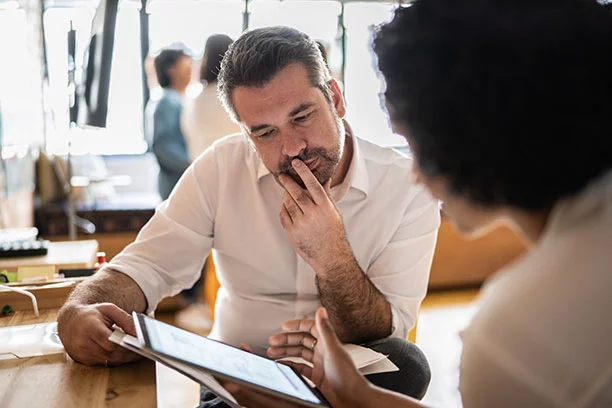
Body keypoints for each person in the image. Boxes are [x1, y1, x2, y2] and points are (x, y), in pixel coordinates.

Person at [223, 1, 612, 407]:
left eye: (416, 144)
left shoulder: (515, 340)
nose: (415, 174)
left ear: (472, 136)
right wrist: (357, 394)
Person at [56, 26, 440, 407]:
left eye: (302, 117)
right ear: (245, 131)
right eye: (265, 132)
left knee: (407, 363)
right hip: (242, 368)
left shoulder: (407, 186)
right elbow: (144, 266)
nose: (292, 149)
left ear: (336, 99)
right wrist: (78, 309)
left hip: (346, 372)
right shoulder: (222, 167)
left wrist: (332, 255)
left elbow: (385, 329)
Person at [181, 34, 240, 161]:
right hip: (236, 167)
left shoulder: (194, 99)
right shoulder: (239, 97)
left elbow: (189, 137)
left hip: (201, 168)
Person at [150, 47, 192, 200]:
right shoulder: (167, 101)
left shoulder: (179, 99)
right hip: (175, 184)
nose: (190, 69)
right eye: (186, 65)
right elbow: (162, 145)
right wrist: (190, 164)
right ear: (171, 70)